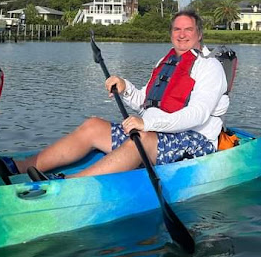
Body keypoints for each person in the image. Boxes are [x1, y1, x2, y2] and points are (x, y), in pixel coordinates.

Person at [12, 10, 229, 178]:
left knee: (140, 140)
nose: (182, 35)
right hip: (153, 133)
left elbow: (198, 114)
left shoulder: (209, 67)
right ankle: (17, 167)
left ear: (199, 33)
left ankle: (69, 183)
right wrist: (125, 88)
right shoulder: (166, 61)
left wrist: (147, 125)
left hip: (194, 140)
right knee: (93, 125)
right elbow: (146, 102)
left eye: (188, 29)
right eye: (176, 29)